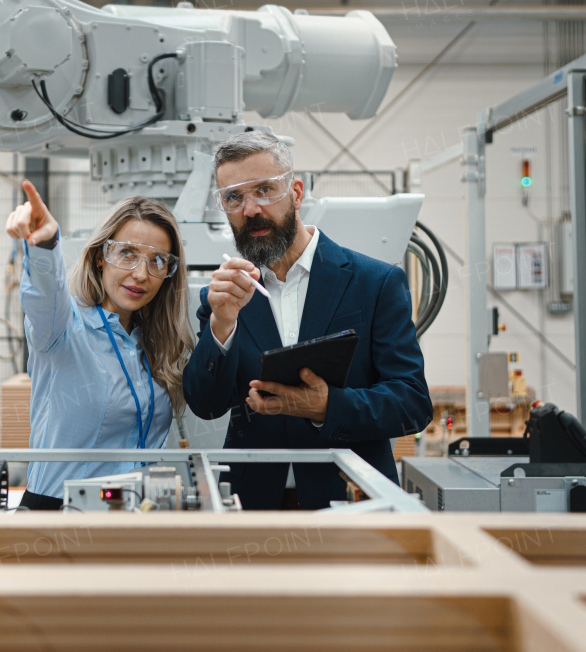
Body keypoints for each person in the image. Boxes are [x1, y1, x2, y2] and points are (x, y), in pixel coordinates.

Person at [183, 131, 432, 510]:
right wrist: (221, 325)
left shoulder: (374, 283)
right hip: (252, 506)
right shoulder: (226, 297)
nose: (250, 209)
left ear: (296, 193)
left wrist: (324, 406)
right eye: (234, 197)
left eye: (264, 190)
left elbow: (411, 403)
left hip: (352, 501)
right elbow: (206, 403)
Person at [7, 179, 193, 510]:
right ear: (99, 257)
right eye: (128, 253)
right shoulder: (63, 329)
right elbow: (44, 293)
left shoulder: (153, 344)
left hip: (134, 519)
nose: (140, 274)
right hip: (58, 518)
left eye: (157, 261)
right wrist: (45, 245)